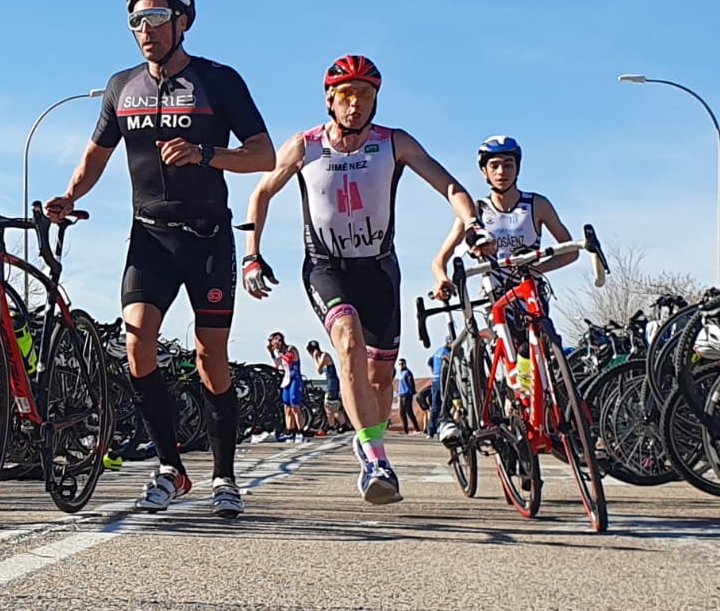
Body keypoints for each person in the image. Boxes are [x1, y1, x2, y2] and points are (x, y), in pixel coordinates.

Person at [46, 0, 274, 517]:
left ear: (182, 23)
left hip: (207, 237)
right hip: (148, 235)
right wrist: (69, 194)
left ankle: (224, 475)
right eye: (135, 23)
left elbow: (262, 156)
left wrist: (205, 154)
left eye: (154, 20)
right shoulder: (121, 86)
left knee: (209, 357)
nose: (144, 32)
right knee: (136, 345)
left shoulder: (219, 80)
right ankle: (173, 468)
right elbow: (95, 156)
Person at [240, 55, 485, 505]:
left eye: (366, 96)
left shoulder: (394, 142)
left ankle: (367, 435)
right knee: (347, 340)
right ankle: (375, 460)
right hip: (327, 267)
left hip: (379, 269)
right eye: (347, 96)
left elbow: (450, 186)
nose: (355, 106)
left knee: (380, 375)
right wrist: (252, 256)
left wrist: (471, 221)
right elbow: (261, 192)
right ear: (330, 99)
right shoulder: (305, 145)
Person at [430, 136, 575, 446]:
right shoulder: (476, 211)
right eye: (494, 165)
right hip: (497, 298)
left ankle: (554, 419)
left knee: (546, 356)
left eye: (508, 164)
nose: (501, 171)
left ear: (518, 167)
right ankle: (511, 409)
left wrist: (535, 269)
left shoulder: (537, 205)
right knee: (511, 359)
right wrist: (441, 278)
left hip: (532, 294)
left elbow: (569, 250)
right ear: (484, 172)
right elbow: (439, 259)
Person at [267, 331, 307, 440]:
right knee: (287, 407)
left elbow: (288, 359)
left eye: (275, 343)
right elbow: (278, 364)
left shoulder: (290, 349)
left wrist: (278, 351)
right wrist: (272, 353)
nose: (274, 346)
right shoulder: (279, 353)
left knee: (295, 406)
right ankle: (290, 430)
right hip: (286, 380)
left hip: (295, 378)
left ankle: (301, 431)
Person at [308, 340, 347, 431]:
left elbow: (318, 369)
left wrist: (315, 358)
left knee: (329, 405)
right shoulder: (321, 357)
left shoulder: (325, 356)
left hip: (332, 383)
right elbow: (321, 372)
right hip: (330, 382)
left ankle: (340, 424)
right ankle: (332, 425)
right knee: (330, 407)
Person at [425, 333, 451, 436]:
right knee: (447, 403)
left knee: (436, 405)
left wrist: (433, 372)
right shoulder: (447, 353)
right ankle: (443, 425)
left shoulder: (438, 351)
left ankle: (431, 430)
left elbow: (429, 362)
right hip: (444, 380)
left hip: (436, 380)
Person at [395, 358, 418, 433]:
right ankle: (405, 430)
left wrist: (412, 390)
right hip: (401, 394)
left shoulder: (407, 372)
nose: (401, 365)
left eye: (402, 364)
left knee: (409, 411)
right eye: (399, 364)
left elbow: (411, 382)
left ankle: (417, 428)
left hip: (407, 394)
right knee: (402, 412)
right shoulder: (401, 373)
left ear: (405, 364)